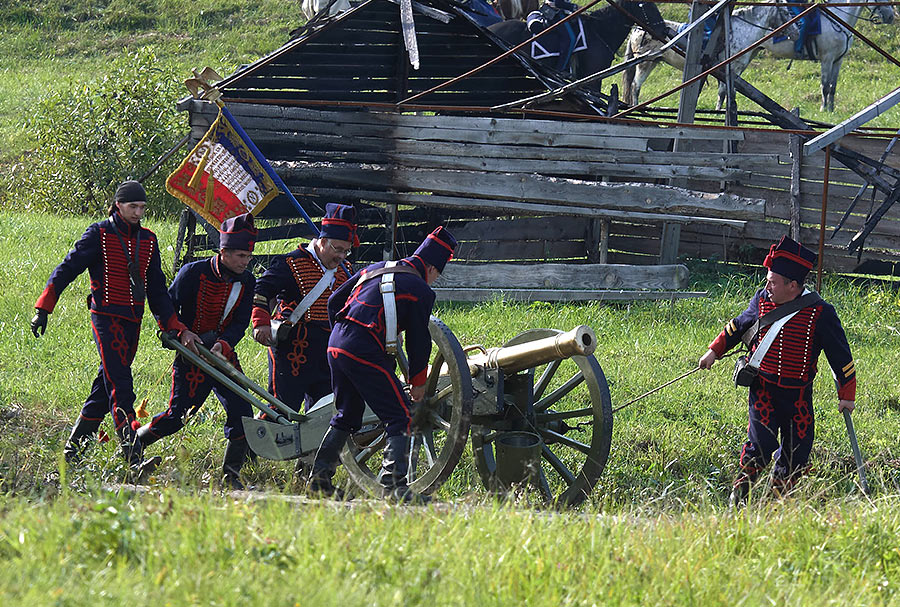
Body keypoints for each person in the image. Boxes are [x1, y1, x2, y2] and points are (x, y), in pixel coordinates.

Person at [30, 180, 199, 473]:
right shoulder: (99, 234)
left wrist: (172, 325)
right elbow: (67, 269)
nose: (138, 212)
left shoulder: (149, 240)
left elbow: (157, 290)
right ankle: (133, 457)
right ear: (118, 205)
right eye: (133, 206)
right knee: (121, 385)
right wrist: (43, 309)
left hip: (133, 321)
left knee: (104, 388)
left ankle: (71, 455)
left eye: (142, 207)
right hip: (106, 320)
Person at [698, 236, 856, 505]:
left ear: (792, 285)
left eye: (773, 282)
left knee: (797, 453)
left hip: (798, 396)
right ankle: (739, 498)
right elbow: (738, 325)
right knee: (761, 445)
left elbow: (841, 356)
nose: (767, 286)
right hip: (763, 390)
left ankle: (775, 504)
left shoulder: (821, 313)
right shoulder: (761, 300)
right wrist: (714, 351)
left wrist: (847, 395)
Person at [307, 226, 458, 502]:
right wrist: (418, 383)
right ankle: (393, 487)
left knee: (347, 415)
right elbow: (418, 340)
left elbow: (334, 301)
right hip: (363, 348)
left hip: (337, 344)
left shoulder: (374, 268)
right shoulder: (421, 290)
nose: (434, 280)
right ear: (432, 268)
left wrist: (341, 335)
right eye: (437, 275)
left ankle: (319, 481)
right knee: (399, 415)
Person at [136, 213, 257, 489]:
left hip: (223, 356)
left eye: (248, 256)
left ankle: (231, 476)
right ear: (224, 252)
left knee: (242, 412)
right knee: (178, 416)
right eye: (241, 255)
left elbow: (240, 322)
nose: (246, 261)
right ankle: (135, 443)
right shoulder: (193, 273)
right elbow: (167, 308)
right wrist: (181, 332)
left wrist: (223, 344)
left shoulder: (248, 282)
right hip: (191, 357)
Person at [250, 203, 357, 413]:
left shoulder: (347, 271)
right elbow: (261, 290)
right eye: (337, 249)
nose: (342, 257)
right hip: (293, 350)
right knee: (281, 409)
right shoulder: (291, 263)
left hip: (327, 353)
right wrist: (261, 323)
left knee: (323, 413)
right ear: (322, 241)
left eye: (346, 251)